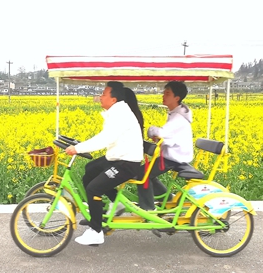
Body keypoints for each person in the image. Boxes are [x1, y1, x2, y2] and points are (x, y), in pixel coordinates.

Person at [65, 81, 144, 246]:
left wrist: (78, 148)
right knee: (90, 169)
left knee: (94, 187)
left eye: (104, 94)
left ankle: (96, 231)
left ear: (113, 99)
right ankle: (100, 213)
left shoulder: (120, 114)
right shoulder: (116, 112)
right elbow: (104, 136)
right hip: (117, 158)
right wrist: (80, 146)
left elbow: (105, 138)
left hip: (126, 163)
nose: (100, 97)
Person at [138, 80, 193, 211]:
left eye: (167, 93)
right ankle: (168, 199)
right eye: (164, 92)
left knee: (142, 174)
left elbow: (161, 132)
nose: (163, 96)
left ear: (177, 98)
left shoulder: (178, 119)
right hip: (171, 156)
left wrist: (151, 130)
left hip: (174, 159)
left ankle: (148, 209)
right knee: (147, 173)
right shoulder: (175, 114)